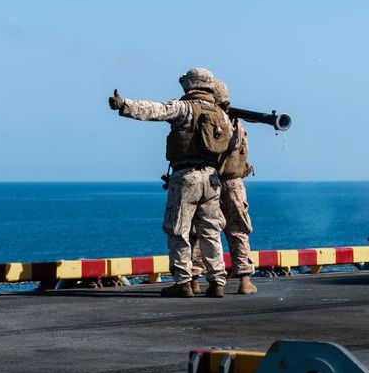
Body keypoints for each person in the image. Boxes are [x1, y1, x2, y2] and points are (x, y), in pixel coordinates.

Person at [108, 68, 230, 298]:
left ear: (191, 84)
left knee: (178, 230)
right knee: (211, 232)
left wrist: (124, 105)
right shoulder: (222, 115)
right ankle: (217, 282)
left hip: (186, 177)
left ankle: (183, 282)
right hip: (212, 178)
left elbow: (155, 110)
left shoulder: (184, 108)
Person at [211, 79, 258, 294]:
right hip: (233, 182)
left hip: (208, 180)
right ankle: (245, 280)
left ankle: (194, 279)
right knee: (238, 229)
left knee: (200, 231)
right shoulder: (237, 124)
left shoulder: (205, 121)